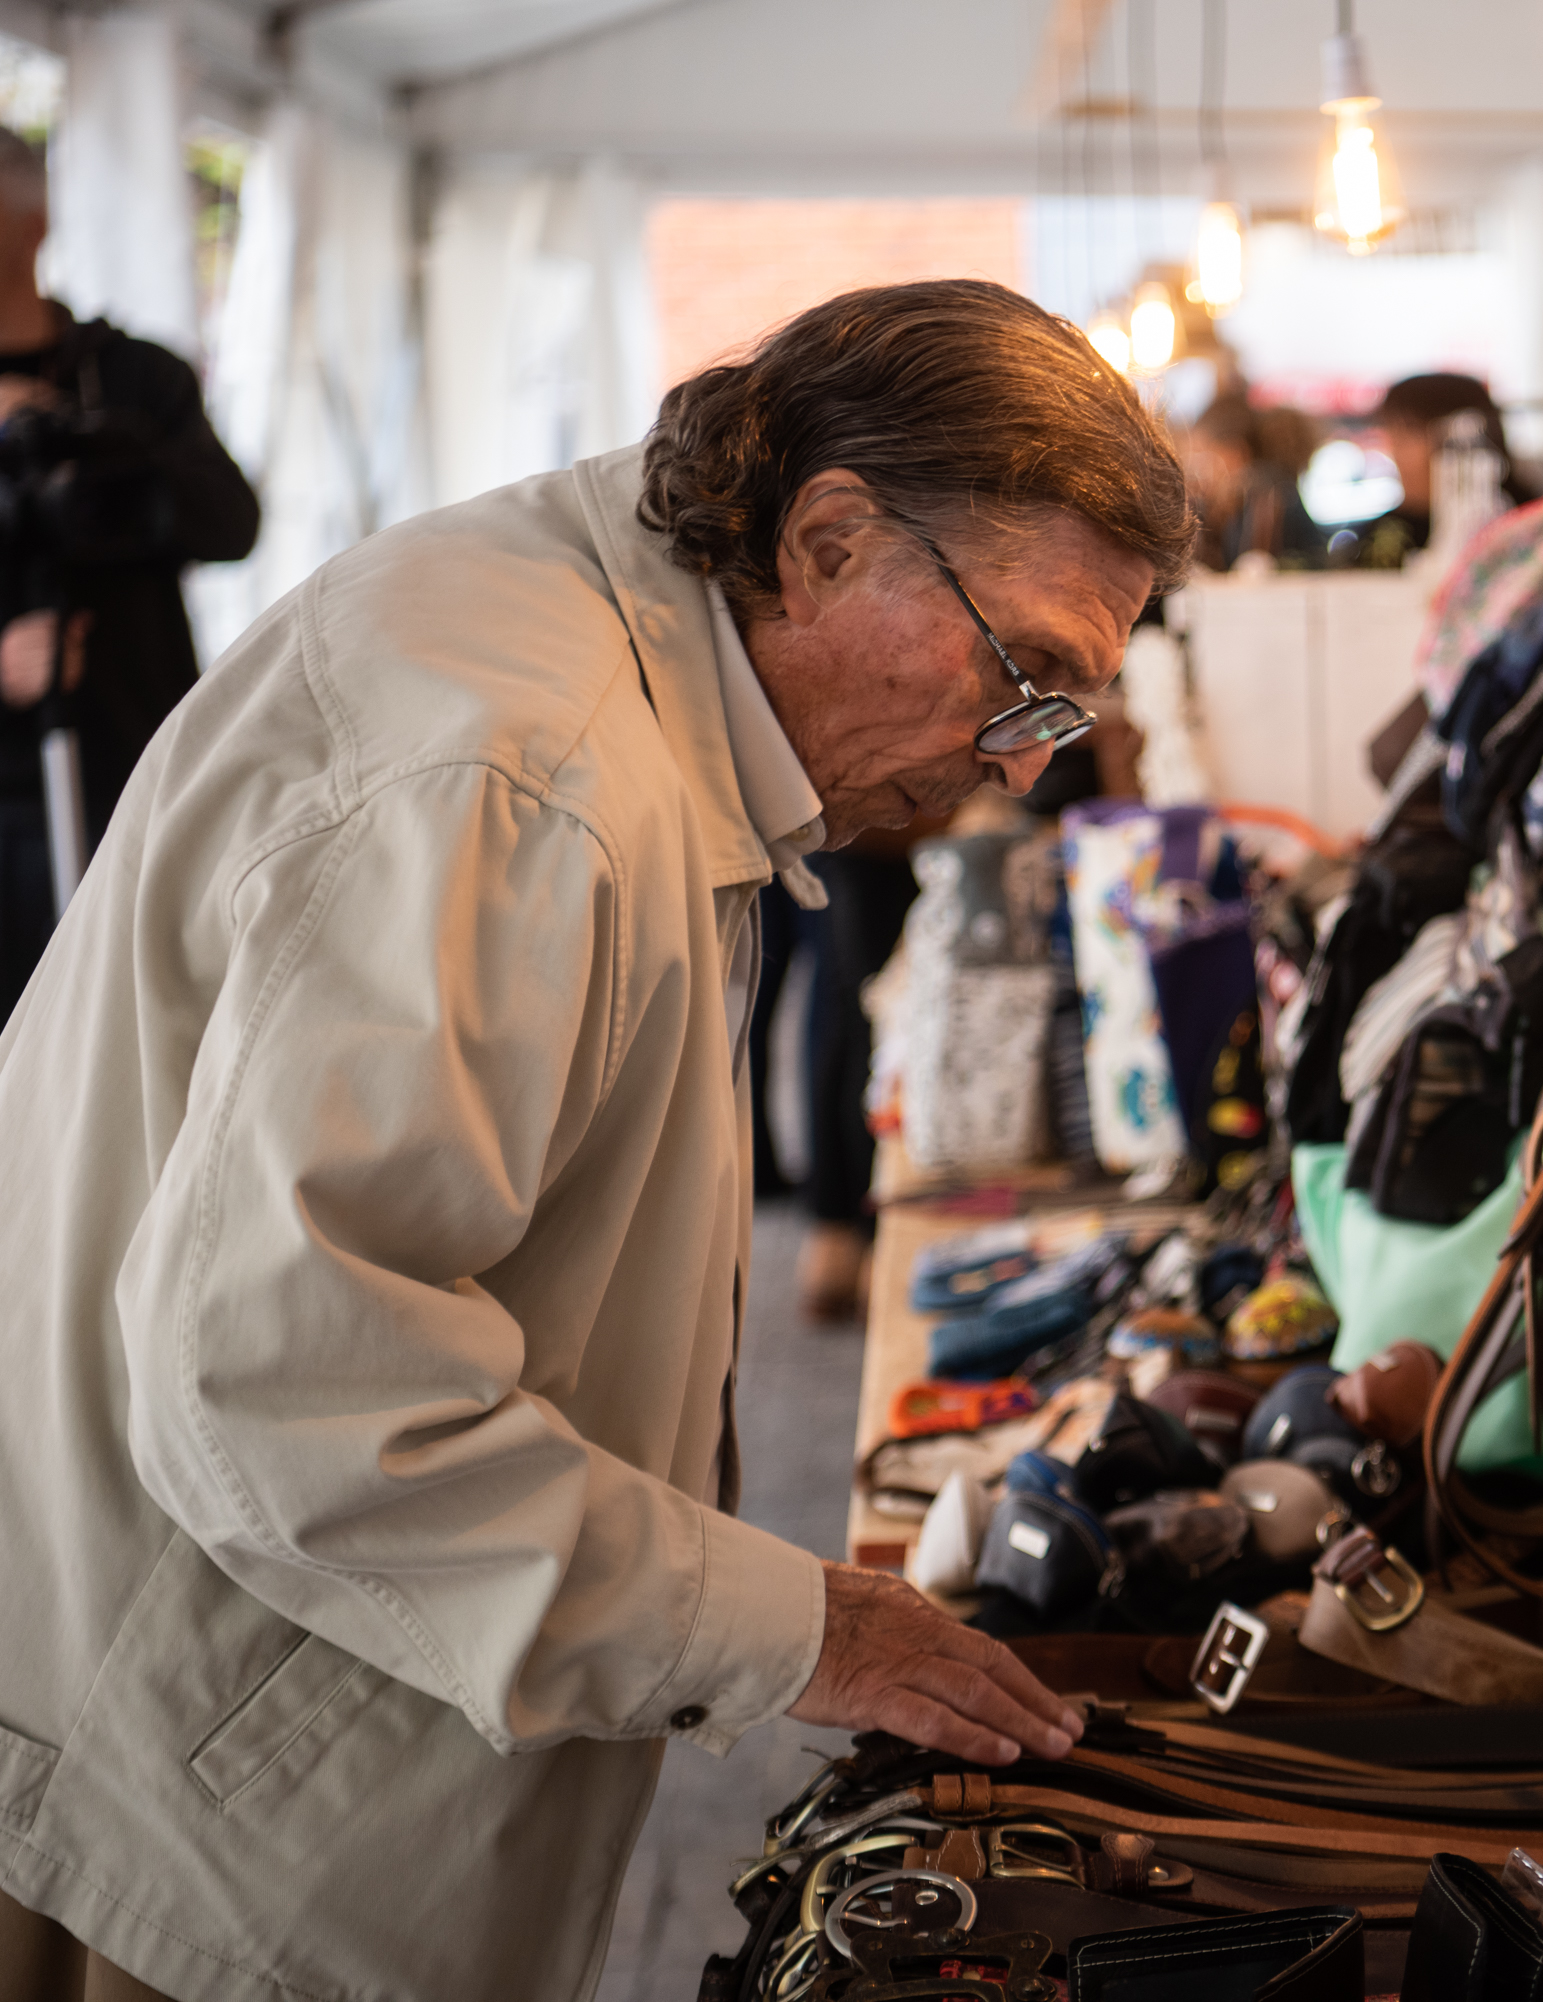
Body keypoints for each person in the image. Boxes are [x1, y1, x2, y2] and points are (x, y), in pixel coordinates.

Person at [0, 280, 1192, 1999]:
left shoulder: (601, 656)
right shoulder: (524, 770)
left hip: (247, 1727)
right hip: (199, 1805)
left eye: (1057, 715)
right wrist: (795, 1626)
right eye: (1023, 676)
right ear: (829, 539)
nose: (1012, 761)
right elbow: (286, 1390)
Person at [0, 130, 257, 1016]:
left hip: (143, 769)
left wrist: (95, 438)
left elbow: (231, 522)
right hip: (12, 802)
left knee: (146, 1025)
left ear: (32, 222)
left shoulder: (134, 378)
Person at [1348, 371, 1534, 569]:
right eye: (1394, 439)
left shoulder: (1533, 524)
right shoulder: (1387, 532)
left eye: (1406, 438)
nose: (1396, 455)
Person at [1185, 390, 1326, 571]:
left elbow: (1317, 562)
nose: (1204, 468)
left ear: (1235, 453)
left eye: (1208, 455)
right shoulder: (1237, 503)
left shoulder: (1269, 498)